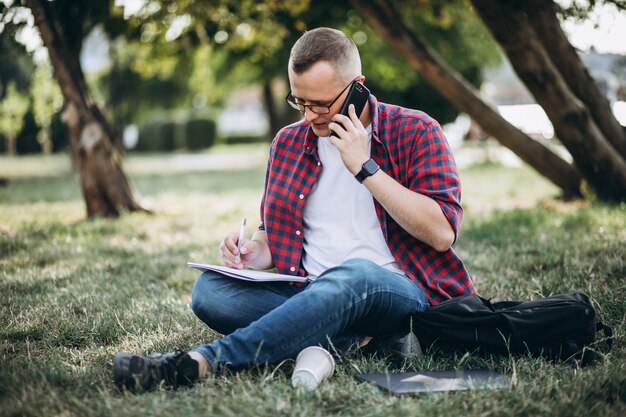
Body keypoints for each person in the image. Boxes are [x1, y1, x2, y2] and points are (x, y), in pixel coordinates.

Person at [113, 27, 476, 392]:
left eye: (322, 104)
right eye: (300, 102)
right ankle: (357, 342)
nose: (310, 116)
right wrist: (254, 251)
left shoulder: (416, 130)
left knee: (354, 275)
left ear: (358, 87)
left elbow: (442, 233)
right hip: (310, 290)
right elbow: (272, 232)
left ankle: (203, 361)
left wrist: (366, 168)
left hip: (393, 291)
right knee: (210, 291)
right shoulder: (288, 142)